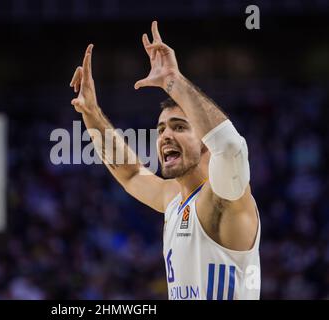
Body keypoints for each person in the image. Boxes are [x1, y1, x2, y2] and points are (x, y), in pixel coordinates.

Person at [69, 21, 260, 300]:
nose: (165, 136)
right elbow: (130, 173)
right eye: (161, 129)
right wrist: (92, 114)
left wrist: (174, 81)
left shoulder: (225, 198)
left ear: (206, 141)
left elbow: (230, 147)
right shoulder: (174, 199)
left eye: (179, 127)